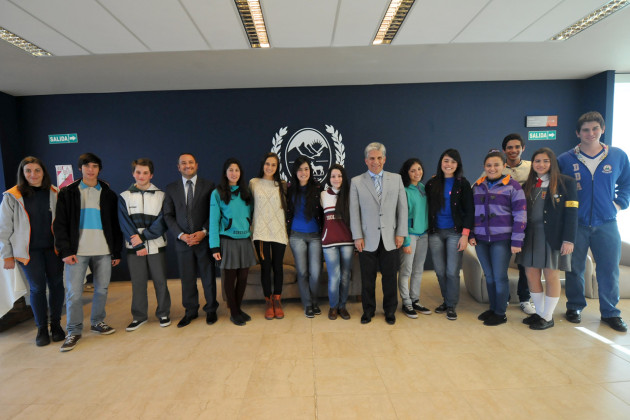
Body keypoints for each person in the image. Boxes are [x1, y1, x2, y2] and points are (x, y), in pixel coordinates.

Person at [558, 111, 630, 332]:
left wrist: (618, 204)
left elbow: (627, 185)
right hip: (576, 224)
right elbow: (557, 190)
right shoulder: (565, 159)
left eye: (595, 129)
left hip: (607, 223)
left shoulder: (617, 156)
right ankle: (575, 306)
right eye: (586, 130)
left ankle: (610, 312)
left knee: (609, 269)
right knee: (574, 268)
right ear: (578, 133)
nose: (590, 133)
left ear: (602, 130)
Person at [53, 153, 122, 351]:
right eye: (86, 166)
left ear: (99, 169)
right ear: (80, 168)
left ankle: (97, 322)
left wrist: (116, 252)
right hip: (77, 252)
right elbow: (60, 225)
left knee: (102, 289)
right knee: (74, 293)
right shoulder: (68, 193)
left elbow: (115, 226)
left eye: (94, 166)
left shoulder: (108, 194)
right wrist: (65, 250)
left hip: (103, 250)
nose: (90, 169)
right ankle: (73, 331)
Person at [0, 157, 65, 347]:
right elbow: (4, 228)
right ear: (23, 174)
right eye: (28, 171)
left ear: (43, 172)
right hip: (29, 252)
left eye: (37, 170)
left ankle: (56, 325)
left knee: (56, 285)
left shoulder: (55, 192)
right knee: (37, 288)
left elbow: (62, 222)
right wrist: (7, 255)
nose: (33, 174)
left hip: (53, 249)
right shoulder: (12, 196)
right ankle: (41, 329)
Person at [517, 148, 577, 330]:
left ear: (552, 163)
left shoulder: (566, 183)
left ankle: (548, 316)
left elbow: (572, 214)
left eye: (545, 161)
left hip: (554, 237)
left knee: (551, 275)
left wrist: (569, 239)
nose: (541, 165)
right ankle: (540, 313)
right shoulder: (527, 185)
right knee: (530, 274)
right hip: (530, 236)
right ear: (532, 164)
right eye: (537, 161)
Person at [350, 142, 408, 325]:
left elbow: (403, 209)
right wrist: (357, 236)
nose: (376, 162)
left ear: (384, 159)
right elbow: (354, 211)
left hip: (391, 237)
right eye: (372, 158)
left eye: (379, 158)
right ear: (366, 161)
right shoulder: (356, 182)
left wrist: (401, 233)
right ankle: (368, 310)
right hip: (367, 239)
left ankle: (390, 310)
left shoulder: (396, 179)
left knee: (390, 277)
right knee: (367, 278)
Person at [469, 150, 526, 326]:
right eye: (488, 165)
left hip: (502, 239)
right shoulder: (477, 186)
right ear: (484, 167)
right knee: (489, 276)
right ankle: (493, 308)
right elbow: (470, 213)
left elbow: (521, 215)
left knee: (500, 276)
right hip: (481, 239)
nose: (492, 168)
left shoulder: (513, 186)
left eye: (496, 165)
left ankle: (501, 313)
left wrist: (517, 240)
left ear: (503, 166)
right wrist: (471, 234)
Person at [163, 153, 218, 328]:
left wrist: (204, 231)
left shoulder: (209, 186)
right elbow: (168, 215)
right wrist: (181, 235)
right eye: (183, 163)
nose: (188, 165)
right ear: (178, 167)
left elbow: (214, 212)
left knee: (208, 277)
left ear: (197, 165)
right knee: (187, 279)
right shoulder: (171, 188)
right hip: (183, 242)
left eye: (191, 162)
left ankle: (211, 310)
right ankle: (191, 311)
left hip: (203, 239)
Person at [118, 158, 171, 331]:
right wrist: (138, 243)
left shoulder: (161, 195)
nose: (141, 176)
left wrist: (145, 236)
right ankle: (139, 316)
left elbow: (163, 221)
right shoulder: (124, 196)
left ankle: (163, 312)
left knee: (160, 281)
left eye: (145, 172)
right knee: (138, 282)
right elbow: (124, 223)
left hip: (157, 245)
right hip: (134, 248)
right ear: (133, 173)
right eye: (138, 172)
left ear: (151, 174)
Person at [425, 150, 474, 321]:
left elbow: (470, 211)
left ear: (458, 165)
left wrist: (465, 235)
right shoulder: (431, 184)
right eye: (446, 161)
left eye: (453, 162)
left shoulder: (463, 184)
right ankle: (446, 300)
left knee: (452, 271)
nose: (449, 165)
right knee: (439, 270)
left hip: (455, 233)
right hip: (435, 233)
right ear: (441, 162)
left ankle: (451, 305)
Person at [210, 158, 257, 326]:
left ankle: (238, 308)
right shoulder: (217, 193)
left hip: (244, 240)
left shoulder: (246, 192)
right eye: (230, 170)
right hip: (227, 240)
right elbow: (213, 221)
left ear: (240, 173)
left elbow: (252, 215)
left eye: (236, 170)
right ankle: (234, 312)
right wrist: (214, 246)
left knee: (243, 277)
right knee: (230, 278)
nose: (233, 173)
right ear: (225, 173)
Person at [250, 152, 288, 320]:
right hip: (261, 232)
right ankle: (268, 301)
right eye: (267, 164)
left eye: (273, 165)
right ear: (262, 164)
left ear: (277, 167)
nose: (270, 167)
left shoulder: (282, 184)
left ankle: (277, 300)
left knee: (278, 266)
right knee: (265, 267)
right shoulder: (254, 183)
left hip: (279, 231)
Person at [286, 156, 323, 318]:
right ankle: (308, 304)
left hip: (315, 235)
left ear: (310, 170)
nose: (303, 172)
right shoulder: (289, 190)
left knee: (315, 272)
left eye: (306, 169)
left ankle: (314, 301)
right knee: (302, 272)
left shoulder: (318, 188)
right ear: (295, 172)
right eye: (300, 169)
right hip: (296, 236)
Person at [397, 158, 430, 319]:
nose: (417, 173)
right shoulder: (404, 190)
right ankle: (406, 302)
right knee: (406, 270)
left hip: (424, 234)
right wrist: (406, 241)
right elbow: (401, 217)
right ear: (407, 173)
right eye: (413, 170)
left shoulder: (423, 188)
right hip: (410, 235)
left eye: (419, 169)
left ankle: (415, 299)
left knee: (418, 270)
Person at [321, 164, 354, 320]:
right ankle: (333, 307)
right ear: (329, 178)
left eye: (339, 176)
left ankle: (343, 306)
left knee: (345, 276)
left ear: (343, 177)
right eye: (333, 176)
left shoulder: (350, 194)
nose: (336, 179)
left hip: (347, 241)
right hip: (329, 243)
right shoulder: (323, 195)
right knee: (334, 277)